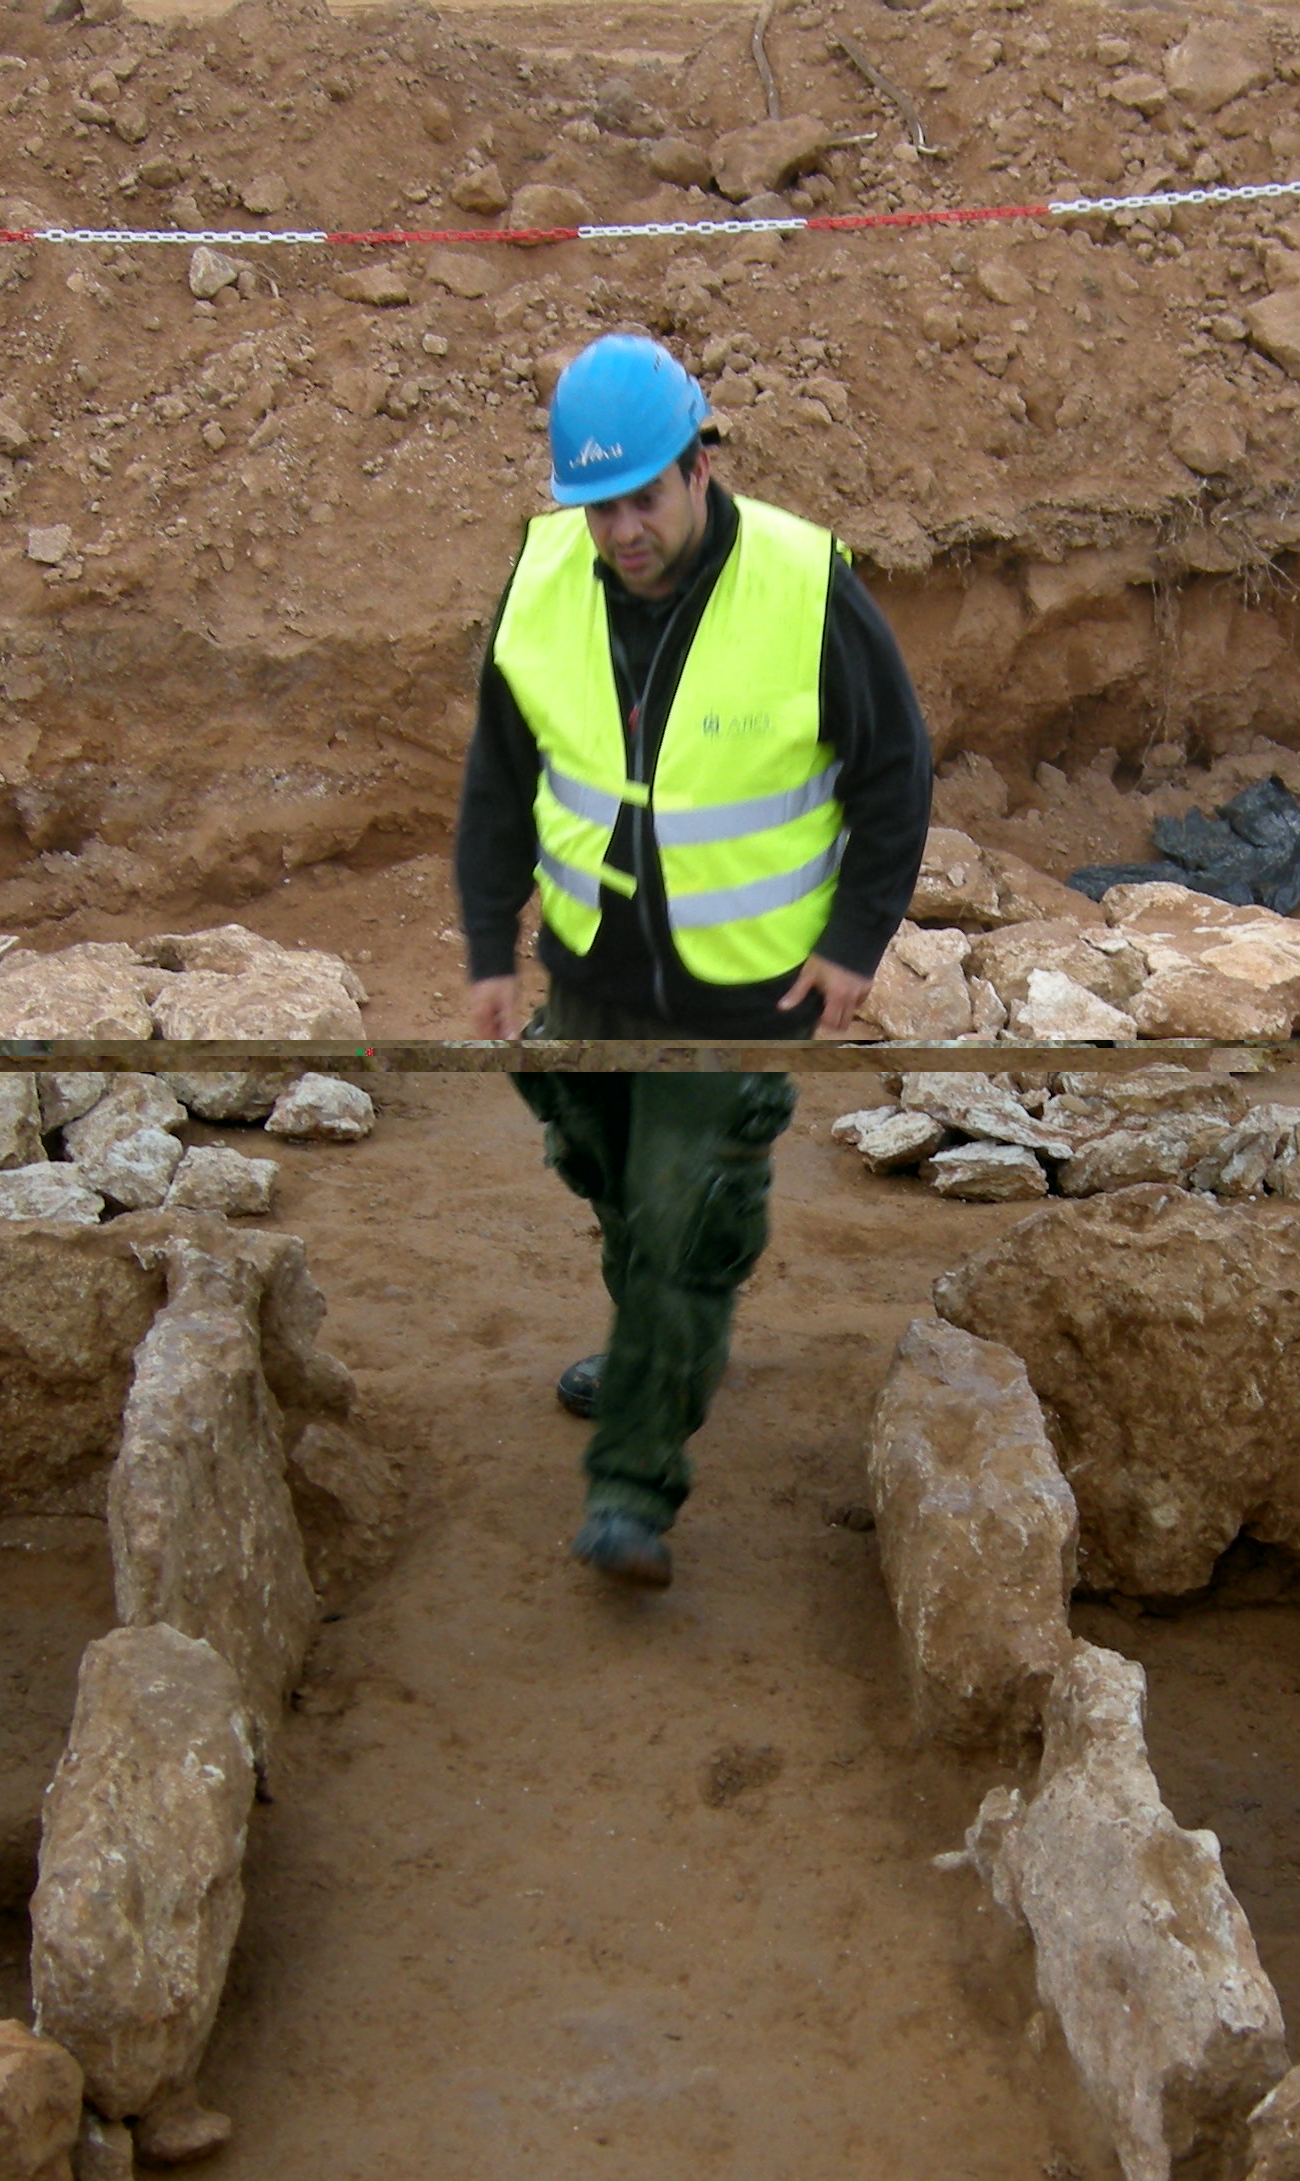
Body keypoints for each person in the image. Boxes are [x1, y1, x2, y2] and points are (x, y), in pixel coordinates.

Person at [454, 331, 932, 1590]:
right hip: (591, 974)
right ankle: (657, 1332)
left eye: (644, 497)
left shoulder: (804, 585)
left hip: (743, 989)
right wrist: (487, 944)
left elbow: (894, 774)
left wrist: (852, 941)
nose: (621, 530)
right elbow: (502, 774)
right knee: (608, 1174)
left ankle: (631, 1485)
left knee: (680, 1211)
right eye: (596, 505)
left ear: (700, 464)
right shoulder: (546, 576)